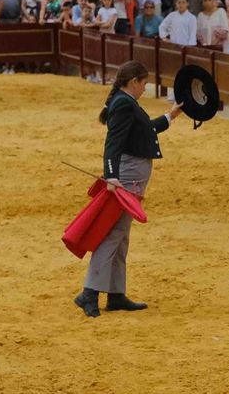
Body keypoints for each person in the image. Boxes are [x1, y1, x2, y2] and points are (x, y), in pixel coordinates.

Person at [74, 60, 185, 318]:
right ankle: (89, 292)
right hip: (127, 175)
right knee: (113, 233)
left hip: (131, 174)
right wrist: (112, 176)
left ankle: (115, 293)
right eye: (144, 83)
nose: (145, 88)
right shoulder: (124, 104)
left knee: (121, 234)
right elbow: (112, 143)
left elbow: (146, 130)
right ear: (133, 81)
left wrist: (171, 115)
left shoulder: (126, 102)